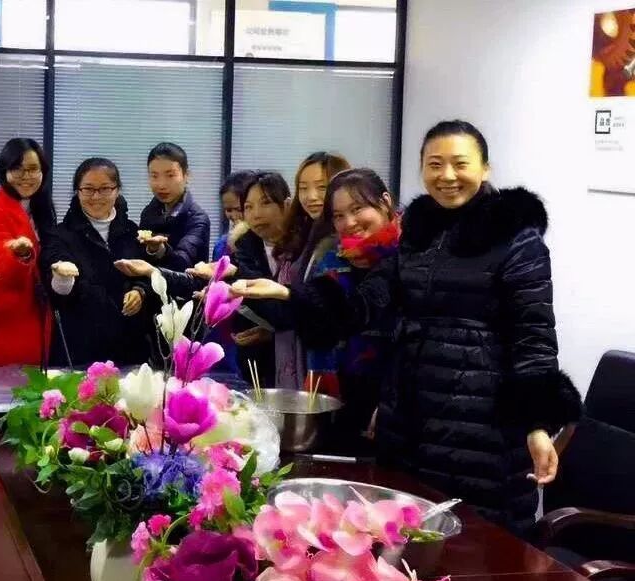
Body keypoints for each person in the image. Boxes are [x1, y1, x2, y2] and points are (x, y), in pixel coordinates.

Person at [232, 120, 583, 535]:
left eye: (460, 163)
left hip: (480, 428)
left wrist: (538, 424)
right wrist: (289, 294)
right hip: (411, 419)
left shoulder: (516, 240)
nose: (447, 175)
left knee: (477, 541)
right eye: (435, 164)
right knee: (408, 537)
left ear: (485, 168)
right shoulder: (419, 235)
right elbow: (367, 301)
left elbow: (533, 337)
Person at [300, 168, 399, 454]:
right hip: (338, 398)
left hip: (395, 400)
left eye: (357, 209)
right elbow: (313, 322)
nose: (349, 222)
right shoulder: (328, 257)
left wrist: (392, 404)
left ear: (385, 202)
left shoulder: (411, 256)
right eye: (339, 215)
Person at [40, 157, 152, 367]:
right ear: (77, 191)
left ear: (117, 190)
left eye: (105, 189)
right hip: (80, 352)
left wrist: (140, 291)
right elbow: (58, 294)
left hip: (130, 351)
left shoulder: (132, 232)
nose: (96, 196)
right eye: (88, 189)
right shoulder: (59, 235)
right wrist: (62, 277)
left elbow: (147, 273)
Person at [0, 138, 56, 366]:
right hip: (4, 327)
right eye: (18, 169)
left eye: (33, 169)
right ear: (4, 171)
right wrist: (20, 254)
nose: (26, 176)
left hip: (39, 323)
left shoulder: (41, 210)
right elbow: (0, 265)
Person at [230, 171, 303, 389]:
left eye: (265, 203)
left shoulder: (304, 246)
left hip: (303, 363)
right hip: (257, 366)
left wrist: (273, 333)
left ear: (287, 205)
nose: (256, 214)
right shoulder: (244, 247)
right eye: (248, 207)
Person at [138, 142, 211, 271]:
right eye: (154, 176)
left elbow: (184, 262)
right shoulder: (148, 213)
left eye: (170, 175)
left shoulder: (197, 219)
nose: (161, 185)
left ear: (186, 176)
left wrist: (160, 250)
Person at [287, 152, 352, 280]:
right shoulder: (306, 231)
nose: (311, 197)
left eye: (322, 187)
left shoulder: (345, 237)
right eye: (303, 188)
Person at [212, 170, 252, 260]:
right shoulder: (221, 245)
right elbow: (217, 268)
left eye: (239, 209)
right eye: (228, 210)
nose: (233, 216)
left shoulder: (267, 244)